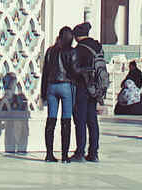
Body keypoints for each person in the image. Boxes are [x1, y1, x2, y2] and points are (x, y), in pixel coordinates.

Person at [38, 27, 77, 161]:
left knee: (51, 120)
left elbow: (45, 73)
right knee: (66, 121)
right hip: (65, 86)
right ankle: (65, 155)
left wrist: (43, 93)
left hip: (51, 86)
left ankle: (49, 154)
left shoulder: (50, 51)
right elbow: (74, 71)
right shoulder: (71, 52)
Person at [69, 21, 103, 162]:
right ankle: (94, 152)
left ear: (77, 36)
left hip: (83, 87)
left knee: (80, 120)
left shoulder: (79, 49)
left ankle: (80, 152)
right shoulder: (97, 47)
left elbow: (74, 69)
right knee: (92, 121)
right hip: (94, 88)